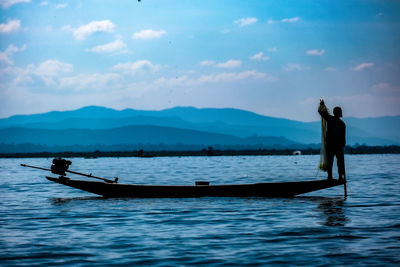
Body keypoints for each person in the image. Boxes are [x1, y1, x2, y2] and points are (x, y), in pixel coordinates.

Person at [318, 99, 346, 180]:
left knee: (338, 161)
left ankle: (339, 176)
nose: (339, 113)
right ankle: (332, 176)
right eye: (339, 112)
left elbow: (343, 136)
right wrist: (322, 105)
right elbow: (322, 112)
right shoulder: (331, 120)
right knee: (333, 161)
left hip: (336, 145)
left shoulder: (341, 124)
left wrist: (342, 145)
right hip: (332, 145)